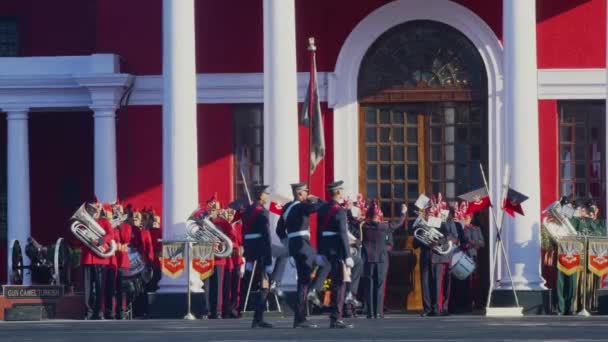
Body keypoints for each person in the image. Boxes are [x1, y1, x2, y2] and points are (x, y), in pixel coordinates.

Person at [276, 182, 324, 328]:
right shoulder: (302, 206)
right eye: (305, 192)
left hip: (295, 245)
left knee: (303, 281)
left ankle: (301, 314)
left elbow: (279, 230)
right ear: (299, 193)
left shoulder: (287, 208)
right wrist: (315, 198)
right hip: (304, 245)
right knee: (323, 264)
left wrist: (289, 245)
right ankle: (312, 293)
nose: (306, 194)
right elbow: (321, 206)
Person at [313, 180, 354, 328]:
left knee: (333, 283)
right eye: (341, 190)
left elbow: (318, 231)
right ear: (337, 192)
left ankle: (334, 316)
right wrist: (348, 255)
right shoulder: (340, 210)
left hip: (325, 249)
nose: (343, 193)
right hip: (337, 251)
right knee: (339, 284)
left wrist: (319, 251)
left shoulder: (323, 209)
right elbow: (343, 234)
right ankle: (336, 317)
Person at [361, 200, 406, 319]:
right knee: (380, 285)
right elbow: (399, 224)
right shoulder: (384, 226)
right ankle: (378, 312)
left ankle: (370, 312)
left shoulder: (364, 226)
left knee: (369, 285)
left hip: (368, 259)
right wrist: (403, 213)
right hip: (381, 259)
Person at [415, 200, 460, 317]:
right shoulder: (423, 222)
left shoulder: (447, 221)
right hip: (426, 256)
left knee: (438, 284)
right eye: (428, 210)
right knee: (425, 284)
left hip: (439, 256)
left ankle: (439, 308)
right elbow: (415, 242)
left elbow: (454, 237)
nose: (430, 211)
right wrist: (425, 241)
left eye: (432, 209)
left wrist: (439, 241)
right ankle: (427, 308)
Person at [242, 184, 274, 328]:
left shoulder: (247, 210)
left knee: (258, 283)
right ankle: (277, 281)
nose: (268, 196)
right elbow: (267, 237)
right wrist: (268, 260)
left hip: (250, 251)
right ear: (261, 195)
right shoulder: (262, 212)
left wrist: (248, 257)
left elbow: (244, 234)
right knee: (265, 283)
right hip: (261, 250)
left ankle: (258, 317)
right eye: (266, 194)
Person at [80, 198, 114, 320]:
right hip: (88, 258)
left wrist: (100, 241)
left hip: (100, 259)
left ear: (99, 208)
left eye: (95, 207)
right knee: (88, 288)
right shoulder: (84, 221)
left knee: (100, 287)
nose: (93, 210)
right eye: (91, 208)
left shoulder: (104, 222)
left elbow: (111, 235)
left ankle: (99, 312)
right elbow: (78, 238)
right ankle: (88, 312)